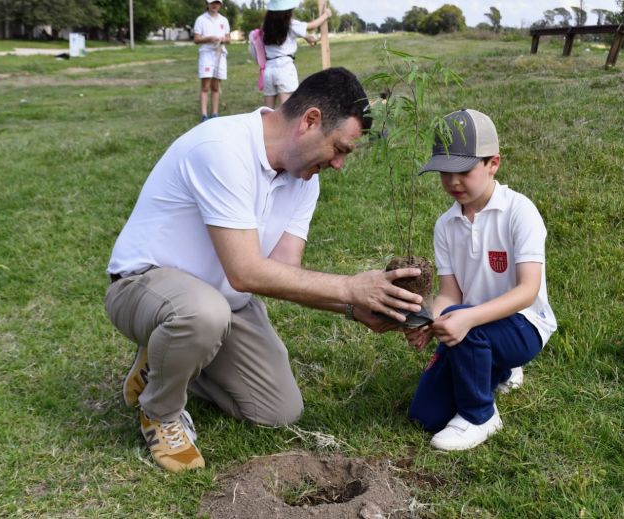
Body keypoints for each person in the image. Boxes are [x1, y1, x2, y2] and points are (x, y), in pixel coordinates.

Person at [104, 67, 423, 473]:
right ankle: (160, 411)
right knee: (201, 314)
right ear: (309, 121)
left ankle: (166, 357)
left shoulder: (305, 180)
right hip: (143, 285)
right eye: (340, 148)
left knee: (278, 409)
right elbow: (247, 273)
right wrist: (351, 287)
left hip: (222, 303)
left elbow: (283, 273)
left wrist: (351, 308)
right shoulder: (223, 148)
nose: (340, 164)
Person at [404, 109, 557, 451]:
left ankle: (481, 416)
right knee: (425, 415)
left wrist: (466, 317)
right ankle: (497, 371)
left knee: (467, 324)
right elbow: (449, 293)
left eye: (463, 171)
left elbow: (527, 290)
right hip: (469, 327)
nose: (453, 181)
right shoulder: (446, 225)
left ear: (493, 164)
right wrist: (431, 321)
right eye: (444, 172)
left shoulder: (519, 211)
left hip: (523, 325)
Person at [261, 0, 331, 108]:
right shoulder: (290, 23)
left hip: (268, 70)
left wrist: (306, 37)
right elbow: (312, 25)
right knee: (288, 110)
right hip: (284, 69)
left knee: (267, 110)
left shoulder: (265, 26)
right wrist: (326, 15)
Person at [193, 0, 230, 122]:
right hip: (206, 55)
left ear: (220, 5)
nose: (215, 5)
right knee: (205, 86)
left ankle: (215, 113)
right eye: (212, 3)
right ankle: (204, 115)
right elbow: (196, 39)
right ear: (207, 4)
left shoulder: (223, 20)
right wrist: (209, 38)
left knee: (216, 85)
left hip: (219, 54)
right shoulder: (201, 19)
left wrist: (224, 39)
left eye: (217, 3)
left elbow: (229, 39)